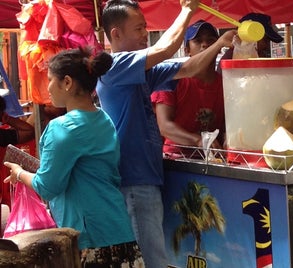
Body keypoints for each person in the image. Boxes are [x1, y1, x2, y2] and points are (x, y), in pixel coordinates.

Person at [97, 0, 235, 267]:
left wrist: (219, 45)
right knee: (154, 261)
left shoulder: (139, 72)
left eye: (144, 28)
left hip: (147, 177)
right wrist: (187, 10)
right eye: (138, 29)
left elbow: (190, 68)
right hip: (134, 180)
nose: (144, 36)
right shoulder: (116, 66)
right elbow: (165, 48)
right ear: (116, 34)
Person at [3, 47, 145, 267]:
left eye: (50, 79)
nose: (47, 87)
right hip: (120, 231)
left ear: (67, 82)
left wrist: (20, 173)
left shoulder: (62, 128)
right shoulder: (104, 119)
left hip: (90, 240)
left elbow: (48, 186)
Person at [151, 20, 226, 157]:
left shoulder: (226, 84)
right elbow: (164, 126)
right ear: (187, 50)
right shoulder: (172, 80)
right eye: (197, 41)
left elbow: (228, 124)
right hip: (177, 160)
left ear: (219, 47)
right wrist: (198, 140)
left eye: (211, 40)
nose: (205, 44)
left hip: (215, 159)